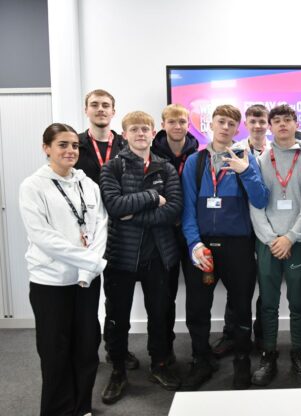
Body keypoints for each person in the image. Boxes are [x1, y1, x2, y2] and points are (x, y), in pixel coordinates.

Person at [19, 123, 108, 416]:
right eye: (62, 145)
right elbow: (43, 237)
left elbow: (99, 228)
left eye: (74, 145)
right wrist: (89, 262)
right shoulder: (33, 186)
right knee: (55, 353)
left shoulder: (88, 185)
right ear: (46, 148)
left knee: (86, 348)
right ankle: (58, 410)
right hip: (50, 283)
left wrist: (87, 271)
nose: (70, 150)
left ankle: (82, 407)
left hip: (86, 281)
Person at [181, 104, 269, 391]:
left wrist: (246, 172)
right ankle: (201, 361)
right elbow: (188, 210)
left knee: (241, 308)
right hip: (203, 246)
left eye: (232, 124)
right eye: (221, 122)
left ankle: (242, 362)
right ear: (211, 124)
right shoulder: (195, 162)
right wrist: (194, 243)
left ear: (237, 128)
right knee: (197, 308)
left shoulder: (245, 157)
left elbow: (260, 199)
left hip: (238, 246)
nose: (226, 128)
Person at [99, 111, 183, 404]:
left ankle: (159, 364)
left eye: (145, 129)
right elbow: (113, 205)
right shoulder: (112, 167)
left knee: (160, 314)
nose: (140, 133)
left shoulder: (166, 168)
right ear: (124, 134)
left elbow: (173, 209)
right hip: (121, 255)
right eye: (134, 129)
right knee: (117, 318)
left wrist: (132, 214)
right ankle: (118, 370)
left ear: (152, 132)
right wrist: (151, 198)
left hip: (159, 256)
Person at [249, 104, 301, 387]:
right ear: (269, 126)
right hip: (267, 242)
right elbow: (256, 205)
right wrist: (271, 239)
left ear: (295, 123)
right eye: (275, 121)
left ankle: (298, 355)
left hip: (297, 242)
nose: (281, 125)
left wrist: (290, 237)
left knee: (297, 303)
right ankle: (268, 355)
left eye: (287, 120)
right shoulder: (260, 160)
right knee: (268, 303)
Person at [75, 89, 138, 371]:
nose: (100, 110)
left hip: (123, 231)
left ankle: (117, 353)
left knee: (118, 300)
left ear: (113, 112)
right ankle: (94, 354)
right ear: (86, 110)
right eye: (95, 105)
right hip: (85, 235)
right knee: (89, 300)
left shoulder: (129, 145)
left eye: (106, 105)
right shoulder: (74, 146)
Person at [211, 104, 270, 358]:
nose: (257, 125)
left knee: (265, 288)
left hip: (270, 229)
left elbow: (263, 196)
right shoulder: (237, 151)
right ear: (246, 124)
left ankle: (262, 334)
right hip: (242, 230)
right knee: (239, 290)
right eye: (253, 121)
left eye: (262, 121)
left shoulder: (276, 148)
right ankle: (231, 334)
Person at [151, 103, 199, 364]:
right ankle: (164, 353)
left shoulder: (199, 155)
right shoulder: (151, 155)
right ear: (163, 125)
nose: (178, 126)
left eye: (182, 121)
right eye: (172, 122)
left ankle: (198, 352)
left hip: (191, 232)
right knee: (163, 296)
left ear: (188, 125)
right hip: (163, 234)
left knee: (196, 295)